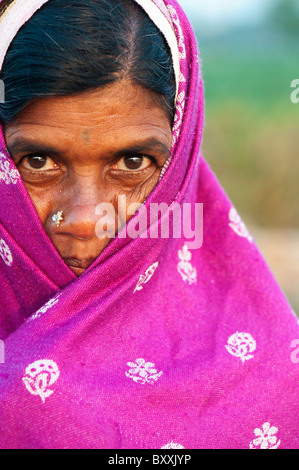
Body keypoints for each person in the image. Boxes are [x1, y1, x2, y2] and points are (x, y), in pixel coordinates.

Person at [0, 0, 298, 450]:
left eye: (132, 162)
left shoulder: (274, 377)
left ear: (178, 160)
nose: (85, 220)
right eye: (38, 161)